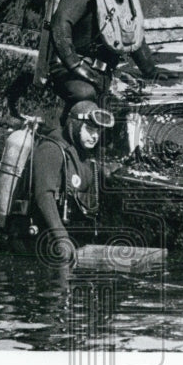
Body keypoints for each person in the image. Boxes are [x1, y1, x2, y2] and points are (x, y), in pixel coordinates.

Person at [44, 0, 176, 115]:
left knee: (122, 104)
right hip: (70, 70)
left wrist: (151, 71)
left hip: (101, 73)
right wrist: (76, 66)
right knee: (86, 94)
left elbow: (133, 37)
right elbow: (60, 24)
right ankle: (71, 135)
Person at [29, 100, 115, 270]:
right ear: (74, 125)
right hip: (40, 239)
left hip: (65, 238)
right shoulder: (51, 149)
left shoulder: (81, 153)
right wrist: (61, 237)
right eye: (89, 129)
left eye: (97, 131)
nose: (95, 136)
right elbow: (43, 195)